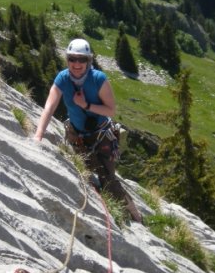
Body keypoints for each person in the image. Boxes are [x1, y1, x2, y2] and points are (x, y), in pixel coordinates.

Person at [34, 38, 142, 222]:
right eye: (72, 59)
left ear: (88, 61)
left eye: (82, 59)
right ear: (67, 59)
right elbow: (49, 107)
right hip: (78, 136)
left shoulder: (98, 79)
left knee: (108, 181)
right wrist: (38, 135)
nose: (76, 64)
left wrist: (86, 104)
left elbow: (110, 110)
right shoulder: (62, 78)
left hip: (101, 136)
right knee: (87, 173)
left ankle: (136, 216)